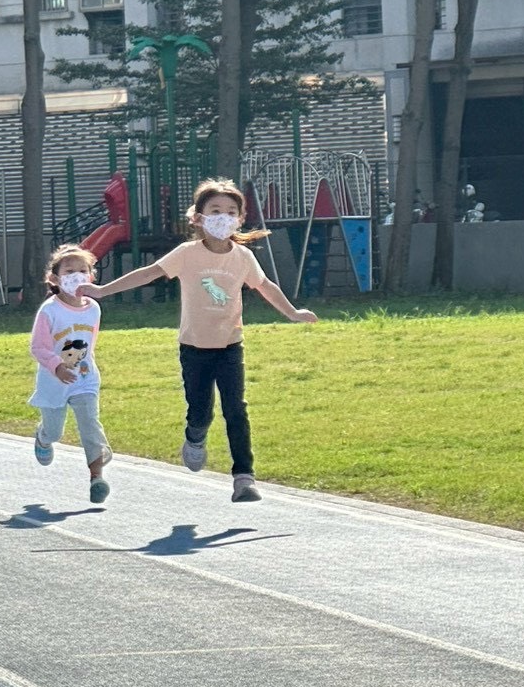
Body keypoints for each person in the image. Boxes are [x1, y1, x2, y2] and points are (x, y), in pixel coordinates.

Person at [80, 179, 316, 502]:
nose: (223, 217)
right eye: (215, 211)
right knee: (201, 411)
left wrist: (293, 312)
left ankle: (244, 478)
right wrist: (103, 290)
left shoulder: (243, 257)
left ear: (239, 219)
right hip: (194, 349)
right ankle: (195, 436)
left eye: (230, 212)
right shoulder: (187, 254)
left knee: (236, 409)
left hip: (230, 346)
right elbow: (148, 273)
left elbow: (265, 286)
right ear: (199, 218)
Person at [29, 244, 113, 504]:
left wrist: (82, 366)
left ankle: (96, 478)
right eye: (69, 271)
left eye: (82, 270)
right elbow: (38, 347)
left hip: (84, 379)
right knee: (55, 431)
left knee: (90, 424)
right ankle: (43, 437)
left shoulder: (93, 308)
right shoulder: (49, 310)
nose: (76, 276)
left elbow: (89, 343)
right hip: (54, 381)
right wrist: (57, 366)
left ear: (91, 276)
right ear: (54, 279)